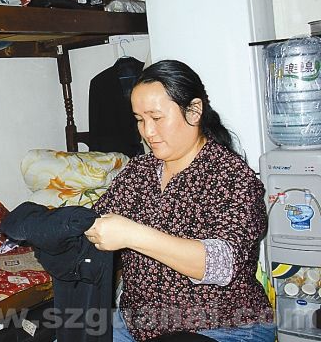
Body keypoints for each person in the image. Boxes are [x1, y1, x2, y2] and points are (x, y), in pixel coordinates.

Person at [84, 60, 275, 342]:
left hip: (224, 326)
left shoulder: (232, 177)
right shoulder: (139, 171)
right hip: (137, 324)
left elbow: (221, 265)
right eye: (140, 120)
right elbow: (94, 221)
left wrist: (132, 234)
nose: (147, 132)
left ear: (194, 111)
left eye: (157, 118)